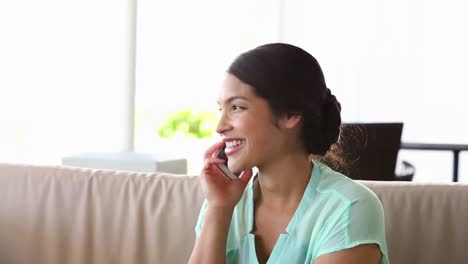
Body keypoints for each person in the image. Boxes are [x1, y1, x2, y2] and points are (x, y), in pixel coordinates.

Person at [188, 43, 389, 264]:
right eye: (221, 109)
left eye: (237, 107)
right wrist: (219, 208)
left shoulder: (350, 208)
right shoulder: (223, 201)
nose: (220, 126)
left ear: (290, 113)